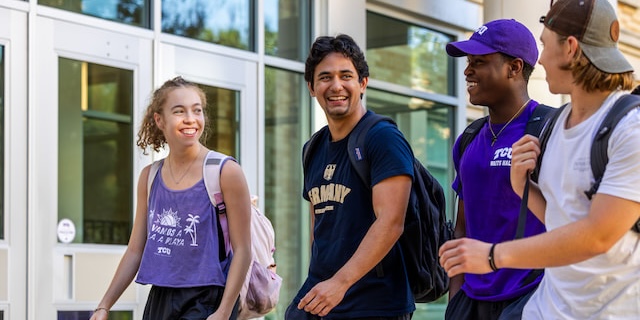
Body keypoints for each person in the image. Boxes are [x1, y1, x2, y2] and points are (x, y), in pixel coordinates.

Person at [439, 0, 640, 319]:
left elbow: (599, 235)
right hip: (545, 308)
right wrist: (523, 187)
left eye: (545, 45)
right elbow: (563, 219)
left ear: (570, 48)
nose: (540, 58)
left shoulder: (629, 128)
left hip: (605, 309)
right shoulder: (557, 127)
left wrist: (493, 256)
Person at [90, 76, 252, 320]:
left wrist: (223, 311)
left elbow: (243, 250)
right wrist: (104, 305)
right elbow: (136, 249)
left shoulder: (225, 171)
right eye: (179, 111)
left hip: (209, 298)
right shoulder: (150, 177)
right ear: (159, 120)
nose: (190, 119)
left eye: (197, 111)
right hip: (162, 297)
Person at [285, 34, 415, 319]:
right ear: (311, 87)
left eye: (346, 75)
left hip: (374, 304)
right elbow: (319, 225)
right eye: (325, 77)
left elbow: (391, 222)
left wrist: (339, 283)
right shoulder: (313, 148)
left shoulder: (383, 138)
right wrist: (319, 285)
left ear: (362, 83)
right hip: (325, 298)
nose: (336, 86)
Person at [445, 19, 547, 320]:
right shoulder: (468, 139)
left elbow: (570, 219)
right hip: (471, 301)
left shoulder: (549, 130)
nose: (467, 71)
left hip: (531, 295)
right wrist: (455, 301)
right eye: (468, 62)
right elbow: (462, 228)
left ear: (514, 67)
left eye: (479, 62)